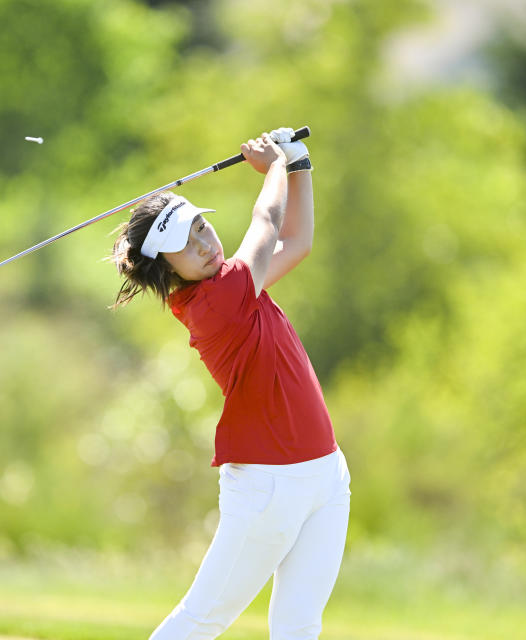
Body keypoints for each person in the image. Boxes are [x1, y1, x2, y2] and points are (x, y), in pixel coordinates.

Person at [110, 128, 351, 640]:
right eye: (184, 244)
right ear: (164, 265)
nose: (203, 244)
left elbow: (298, 242)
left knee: (298, 625)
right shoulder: (215, 302)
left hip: (325, 476)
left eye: (201, 227)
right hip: (268, 485)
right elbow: (266, 222)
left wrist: (300, 162)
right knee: (202, 619)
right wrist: (276, 165)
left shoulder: (237, 283)